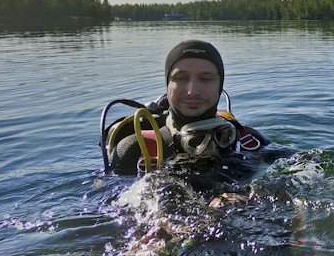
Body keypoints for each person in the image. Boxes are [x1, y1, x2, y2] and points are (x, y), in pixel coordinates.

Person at [102, 40, 292, 190]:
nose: (192, 90)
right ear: (167, 85)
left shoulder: (248, 140)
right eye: (180, 78)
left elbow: (307, 168)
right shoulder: (135, 150)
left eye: (205, 79)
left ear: (220, 85)